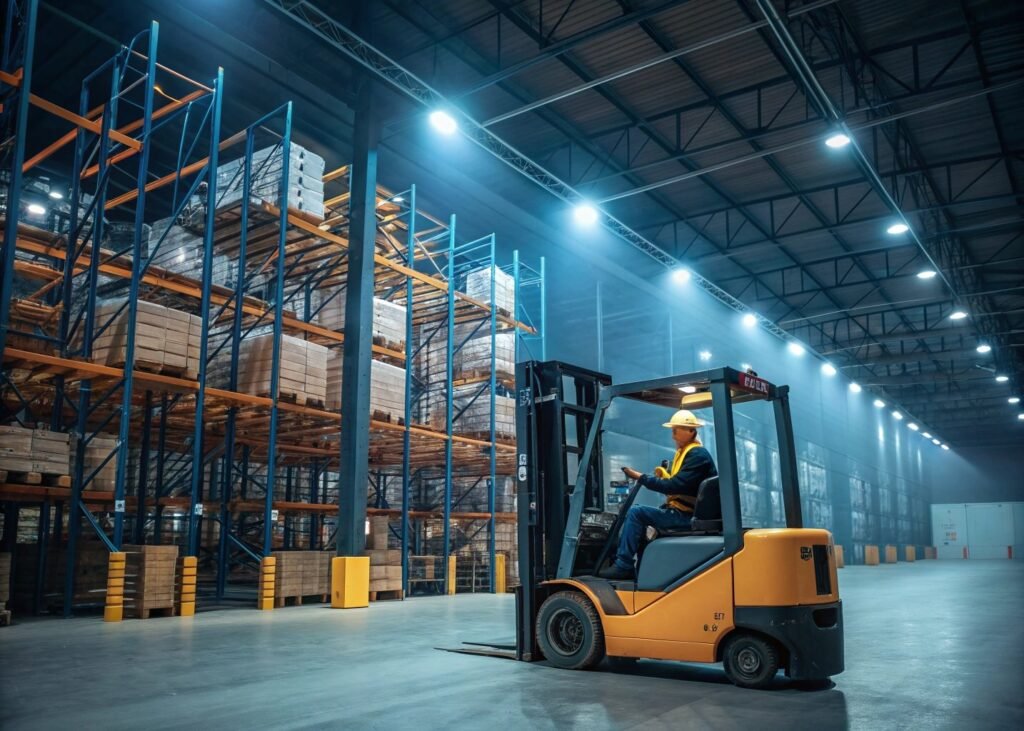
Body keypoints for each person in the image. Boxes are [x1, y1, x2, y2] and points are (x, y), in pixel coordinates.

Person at [599, 408, 717, 580]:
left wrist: (642, 478)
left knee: (636, 513)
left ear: (691, 431)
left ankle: (623, 565)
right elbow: (683, 484)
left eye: (677, 429)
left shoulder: (697, 454)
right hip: (686, 512)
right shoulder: (687, 453)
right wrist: (665, 476)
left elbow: (674, 486)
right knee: (643, 521)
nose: (673, 434)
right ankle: (642, 572)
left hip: (686, 516)